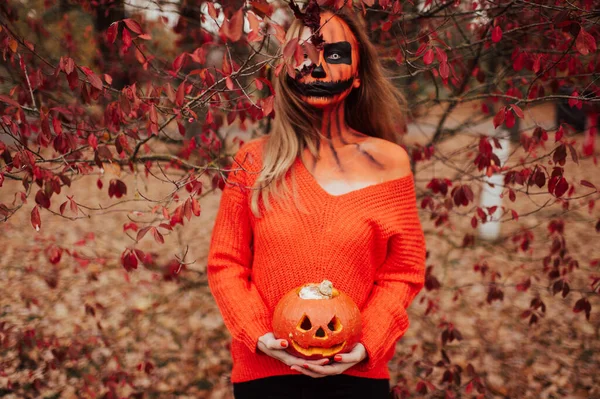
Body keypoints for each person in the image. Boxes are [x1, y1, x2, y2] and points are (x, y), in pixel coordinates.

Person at [207, 4, 426, 399]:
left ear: (358, 75)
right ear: (286, 70)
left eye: (336, 55)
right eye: (304, 55)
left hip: (358, 375)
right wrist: (257, 333)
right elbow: (226, 264)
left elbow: (403, 273)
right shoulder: (254, 161)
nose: (318, 67)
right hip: (265, 375)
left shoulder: (390, 162)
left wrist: (367, 344)